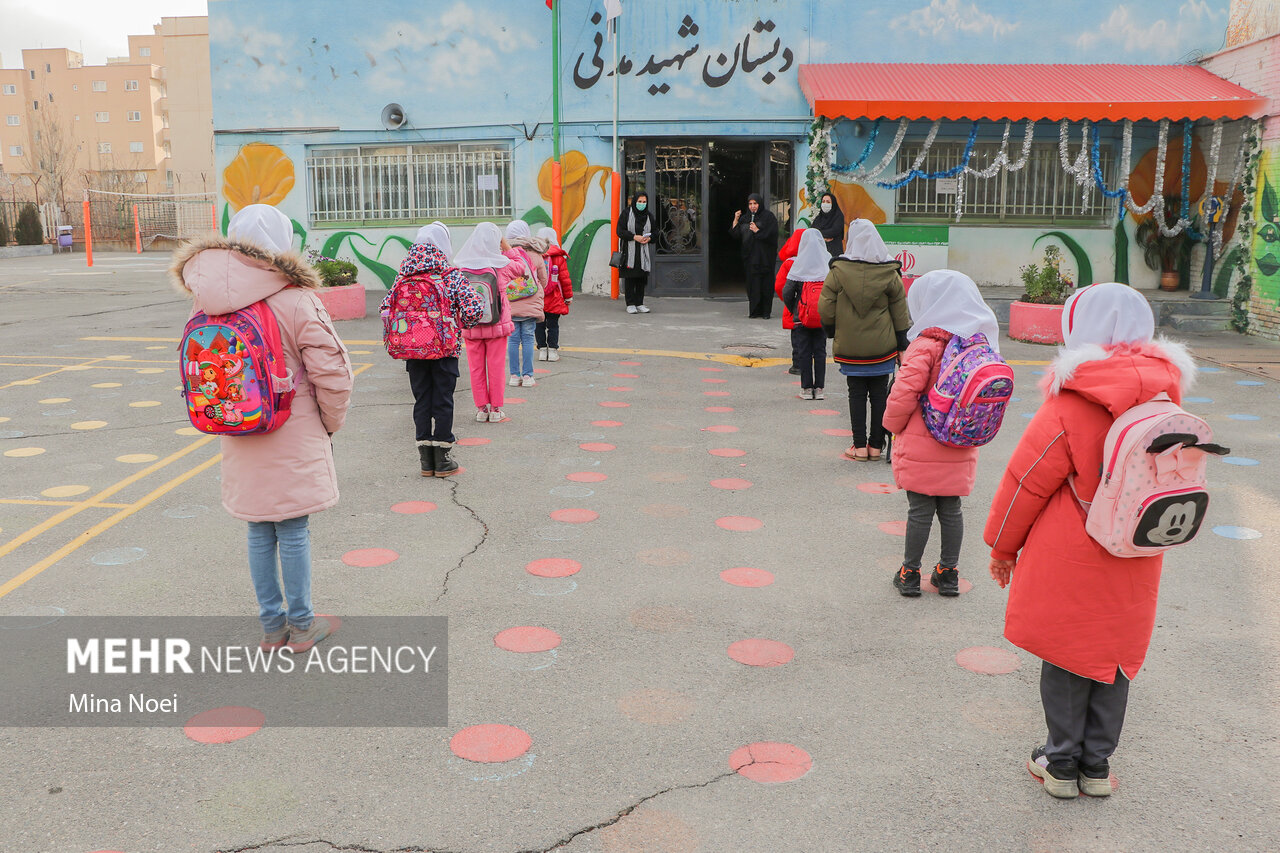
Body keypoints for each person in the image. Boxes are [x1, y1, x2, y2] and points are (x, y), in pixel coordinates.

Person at [984, 283, 1196, 799]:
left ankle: (1059, 765)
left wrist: (1002, 545)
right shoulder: (1166, 400)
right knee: (1114, 659)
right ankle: (1096, 768)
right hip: (1137, 553)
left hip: (1071, 553)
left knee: (1065, 656)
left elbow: (1026, 483)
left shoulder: (1071, 405)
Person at [171, 203, 353, 653]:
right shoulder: (296, 298)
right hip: (293, 425)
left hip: (237, 425)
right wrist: (330, 423)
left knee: (258, 529)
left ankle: (272, 627)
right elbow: (332, 373)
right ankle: (303, 626)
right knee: (292, 530)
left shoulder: (207, 298)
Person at [882, 270, 1000, 597]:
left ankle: (909, 573)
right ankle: (948, 573)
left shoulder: (927, 344)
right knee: (951, 510)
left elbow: (904, 392)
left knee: (919, 509)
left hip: (923, 439)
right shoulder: (978, 344)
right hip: (960, 439)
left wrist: (891, 426)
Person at [386, 224, 486, 476]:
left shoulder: (404, 275)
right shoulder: (450, 275)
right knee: (442, 400)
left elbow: (385, 309)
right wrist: (459, 324)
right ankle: (442, 460)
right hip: (445, 349)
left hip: (412, 351)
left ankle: (425, 461)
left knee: (422, 400)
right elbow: (474, 308)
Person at [819, 219, 910, 461]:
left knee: (856, 393)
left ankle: (859, 447)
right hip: (882, 347)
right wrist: (902, 344)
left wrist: (832, 331)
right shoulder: (890, 273)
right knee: (879, 394)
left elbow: (825, 306)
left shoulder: (838, 271)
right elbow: (900, 312)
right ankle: (876, 447)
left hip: (850, 346)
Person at [455, 222, 517, 423]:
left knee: (475, 368)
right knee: (496, 367)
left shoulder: (463, 266)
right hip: (497, 326)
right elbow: (522, 266)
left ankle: (482, 409)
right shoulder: (502, 266)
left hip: (472, 326)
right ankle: (496, 409)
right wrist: (507, 247)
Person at [779, 228, 831, 400]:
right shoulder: (827, 262)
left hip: (802, 317)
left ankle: (807, 389)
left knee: (805, 351)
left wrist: (795, 307)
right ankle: (820, 389)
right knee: (821, 352)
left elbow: (787, 291)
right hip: (822, 316)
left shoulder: (798, 264)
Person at [504, 220, 547, 387]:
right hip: (531, 303)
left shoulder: (504, 254)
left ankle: (514, 375)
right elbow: (543, 280)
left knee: (513, 340)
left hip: (511, 303)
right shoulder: (535, 254)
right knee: (528, 339)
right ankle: (528, 376)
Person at [732, 192, 779, 319]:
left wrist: (758, 231)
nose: (753, 206)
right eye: (750, 204)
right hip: (751, 257)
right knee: (753, 284)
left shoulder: (768, 217)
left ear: (760, 204)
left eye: (755, 203)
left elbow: (773, 234)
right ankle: (754, 311)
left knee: (766, 285)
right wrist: (736, 219)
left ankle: (765, 312)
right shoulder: (746, 218)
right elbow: (735, 235)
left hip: (765, 258)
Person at [536, 226, 573, 362]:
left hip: (538, 297)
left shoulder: (535, 255)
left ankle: (541, 350)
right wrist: (568, 297)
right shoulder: (559, 257)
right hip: (555, 297)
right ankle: (552, 351)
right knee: (553, 325)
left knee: (539, 324)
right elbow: (565, 280)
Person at [774, 229, 805, 376]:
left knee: (797, 338)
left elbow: (780, 287)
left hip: (796, 308)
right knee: (816, 340)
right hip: (816, 308)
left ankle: (797, 365)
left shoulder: (789, 263)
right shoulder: (819, 261)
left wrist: (790, 303)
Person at [617, 191, 654, 313]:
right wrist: (634, 236)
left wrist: (650, 238)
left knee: (641, 279)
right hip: (629, 252)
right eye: (639, 201)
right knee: (630, 278)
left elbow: (656, 232)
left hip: (643, 252)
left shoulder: (648, 215)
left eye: (644, 202)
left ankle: (640, 303)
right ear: (634, 201)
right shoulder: (626, 213)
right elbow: (620, 231)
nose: (642, 204)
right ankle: (630, 303)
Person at [812, 191, 845, 259]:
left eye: (828, 202)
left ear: (833, 204)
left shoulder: (838, 216)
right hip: (820, 252)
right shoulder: (819, 217)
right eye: (823, 201)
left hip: (834, 252)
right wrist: (824, 238)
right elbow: (812, 231)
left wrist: (819, 234)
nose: (825, 204)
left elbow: (835, 231)